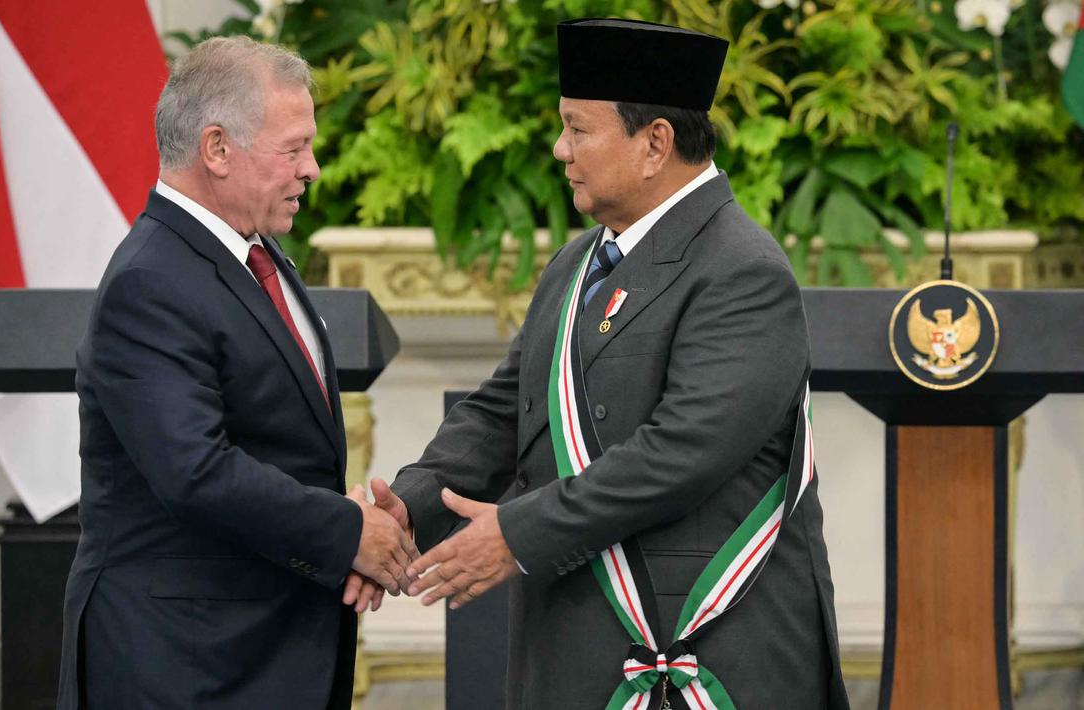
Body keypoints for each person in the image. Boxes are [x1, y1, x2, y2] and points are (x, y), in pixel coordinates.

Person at [372, 18, 850, 709]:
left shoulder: (743, 270)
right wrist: (406, 508)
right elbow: (506, 409)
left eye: (579, 129)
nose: (560, 149)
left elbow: (681, 453)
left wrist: (515, 533)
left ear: (655, 143)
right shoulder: (577, 261)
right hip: (577, 645)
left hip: (699, 643)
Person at [57, 37, 414, 710]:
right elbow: (195, 471)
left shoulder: (257, 252)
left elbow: (281, 443)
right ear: (216, 149)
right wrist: (347, 534)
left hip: (260, 653)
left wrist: (353, 539)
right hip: (182, 666)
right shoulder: (150, 281)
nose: (312, 169)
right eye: (293, 148)